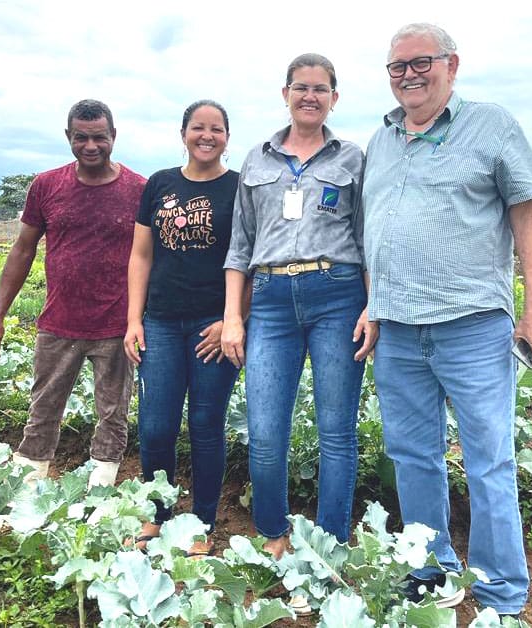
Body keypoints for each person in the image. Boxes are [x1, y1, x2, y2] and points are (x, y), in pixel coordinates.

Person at [361, 23, 532, 621]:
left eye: (419, 63)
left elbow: (528, 220)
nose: (407, 76)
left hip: (471, 326)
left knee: (489, 459)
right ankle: (433, 571)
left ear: (451, 65)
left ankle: (501, 595)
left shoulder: (492, 125)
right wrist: (374, 303)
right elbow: (376, 229)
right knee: (412, 455)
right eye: (396, 67)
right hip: (397, 329)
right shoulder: (383, 137)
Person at [221, 53, 378, 561]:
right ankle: (274, 532)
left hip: (337, 294)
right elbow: (240, 246)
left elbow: (367, 239)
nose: (310, 96)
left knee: (337, 429)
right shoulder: (256, 160)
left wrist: (372, 307)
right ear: (284, 93)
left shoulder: (352, 158)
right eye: (301, 87)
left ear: (335, 97)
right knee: (265, 431)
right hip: (268, 302)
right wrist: (232, 316)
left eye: (321, 89)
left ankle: (332, 541)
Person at [0, 99, 146, 489]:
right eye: (81, 138)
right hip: (59, 324)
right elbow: (23, 249)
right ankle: (27, 491)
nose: (91, 146)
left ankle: (100, 492)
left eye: (99, 137)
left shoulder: (139, 189)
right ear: (68, 137)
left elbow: (153, 257)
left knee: (113, 414)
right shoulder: (47, 185)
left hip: (116, 326)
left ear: (114, 137)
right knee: (43, 410)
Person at [123, 100, 240, 555]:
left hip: (213, 327)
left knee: (207, 424)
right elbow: (141, 255)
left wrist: (234, 319)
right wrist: (135, 319)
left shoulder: (239, 187)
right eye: (198, 128)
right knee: (155, 426)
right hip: (163, 323)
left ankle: (202, 523)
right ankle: (158, 514)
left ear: (227, 136)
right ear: (184, 133)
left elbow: (247, 259)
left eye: (216, 129)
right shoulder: (160, 184)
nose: (206, 136)